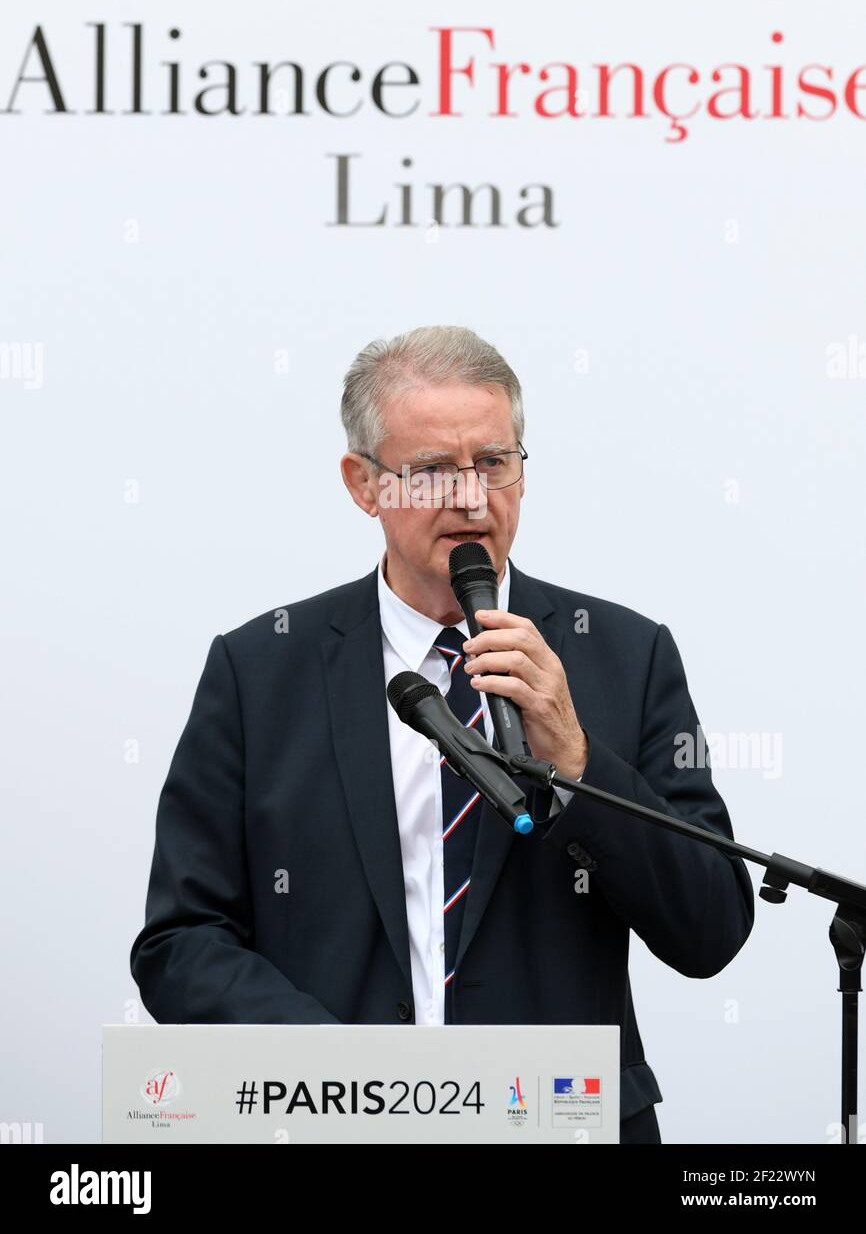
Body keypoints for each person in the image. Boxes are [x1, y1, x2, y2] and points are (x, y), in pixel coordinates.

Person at [130, 324, 754, 1144]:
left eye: (494, 463)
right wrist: (338, 1075)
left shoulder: (626, 657)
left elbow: (710, 928)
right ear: (364, 484)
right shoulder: (260, 670)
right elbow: (182, 941)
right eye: (432, 472)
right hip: (334, 1131)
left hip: (561, 1128)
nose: (470, 497)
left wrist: (575, 760)